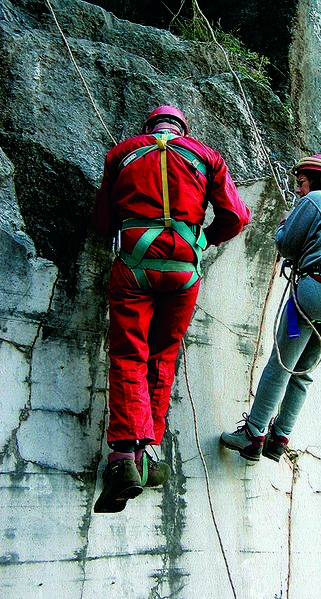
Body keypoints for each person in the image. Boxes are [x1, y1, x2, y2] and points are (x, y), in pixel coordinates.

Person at [92, 105, 251, 512]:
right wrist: (203, 240)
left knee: (129, 353)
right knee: (162, 355)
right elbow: (236, 216)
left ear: (149, 128)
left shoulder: (122, 153)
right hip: (184, 273)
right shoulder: (206, 156)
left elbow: (103, 224)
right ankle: (151, 451)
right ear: (182, 129)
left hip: (134, 269)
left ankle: (124, 456)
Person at [221, 154, 321, 463]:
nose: (298, 190)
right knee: (303, 373)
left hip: (318, 291)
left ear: (320, 179)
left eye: (302, 182)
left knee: (282, 364)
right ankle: (279, 437)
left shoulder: (317, 200)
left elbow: (287, 246)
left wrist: (284, 226)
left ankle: (253, 435)